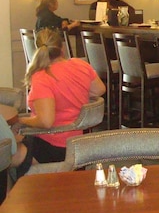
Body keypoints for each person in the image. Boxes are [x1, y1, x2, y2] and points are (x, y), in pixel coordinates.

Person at [10, 28, 106, 177]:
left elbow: (46, 121)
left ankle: (23, 190)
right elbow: (99, 90)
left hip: (54, 145)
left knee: (7, 152)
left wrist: (21, 121)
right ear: (62, 47)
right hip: (77, 144)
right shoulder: (80, 65)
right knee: (13, 142)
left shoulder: (43, 77)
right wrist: (75, 93)